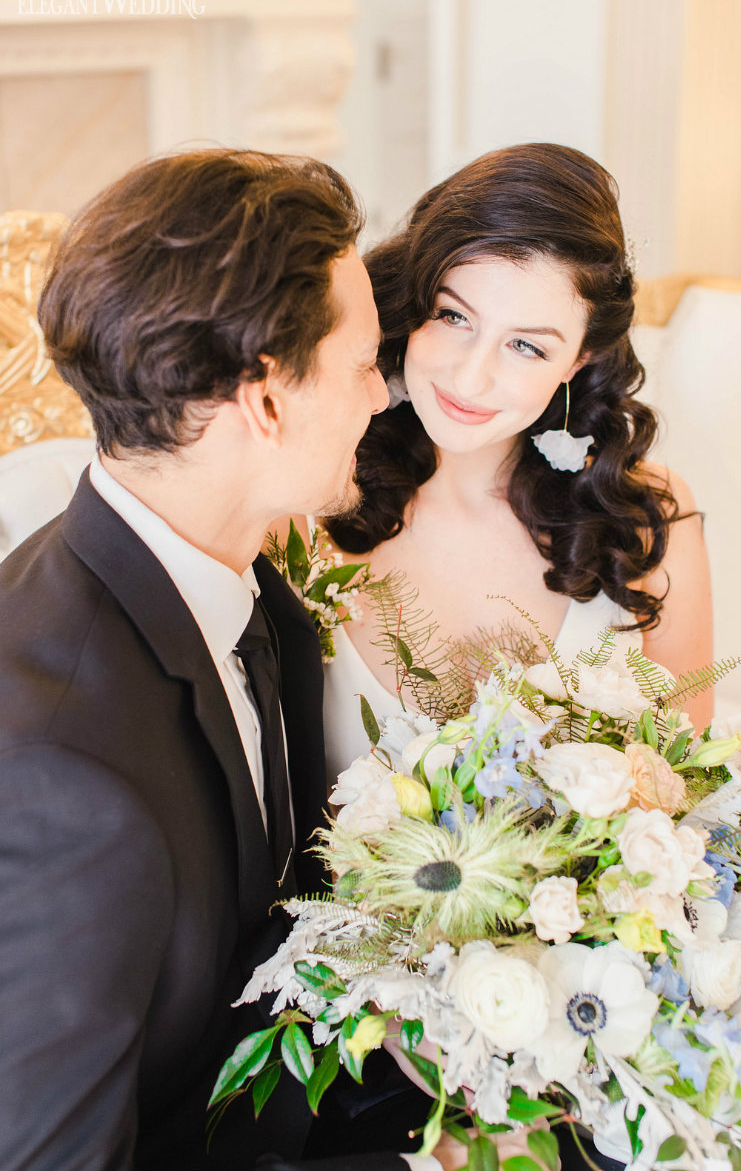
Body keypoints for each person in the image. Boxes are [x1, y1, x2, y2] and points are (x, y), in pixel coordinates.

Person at [0, 148, 518, 1171]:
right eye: (365, 363)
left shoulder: (240, 586)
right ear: (266, 400)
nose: (382, 399)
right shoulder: (64, 777)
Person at [311, 143, 713, 785]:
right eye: (453, 316)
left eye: (525, 345)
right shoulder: (306, 506)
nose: (471, 377)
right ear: (414, 306)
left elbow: (689, 791)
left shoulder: (646, 518)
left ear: (576, 363)